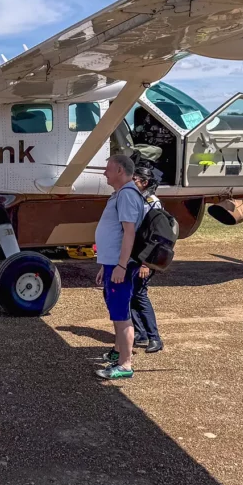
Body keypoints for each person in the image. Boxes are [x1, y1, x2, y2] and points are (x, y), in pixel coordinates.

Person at [94, 154, 145, 380]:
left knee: (122, 314)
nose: (105, 172)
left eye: (108, 169)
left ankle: (125, 364)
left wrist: (121, 266)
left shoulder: (126, 195)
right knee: (116, 312)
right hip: (112, 263)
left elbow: (129, 232)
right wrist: (105, 265)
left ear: (120, 172)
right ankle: (117, 353)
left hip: (119, 265)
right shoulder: (121, 194)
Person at [130, 164, 164, 353]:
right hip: (136, 254)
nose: (132, 182)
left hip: (146, 257)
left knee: (140, 295)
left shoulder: (152, 203)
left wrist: (145, 263)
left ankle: (154, 338)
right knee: (132, 295)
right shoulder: (139, 200)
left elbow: (154, 236)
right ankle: (140, 333)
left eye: (135, 179)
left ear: (144, 182)